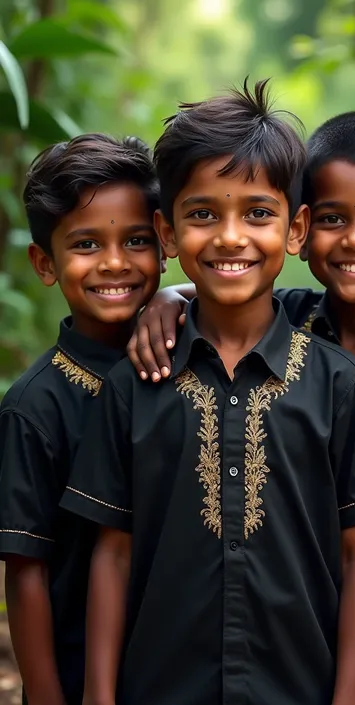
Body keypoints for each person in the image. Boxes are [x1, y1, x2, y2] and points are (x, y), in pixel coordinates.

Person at [61, 81, 355, 705]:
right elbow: (111, 556)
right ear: (167, 235)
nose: (230, 237)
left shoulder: (339, 384)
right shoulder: (132, 384)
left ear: (296, 228)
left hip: (301, 687)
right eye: (202, 215)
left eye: (257, 213)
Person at [132, 110, 355, 705]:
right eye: (334, 219)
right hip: (298, 660)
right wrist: (164, 297)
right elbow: (223, 281)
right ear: (304, 229)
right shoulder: (288, 321)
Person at [0, 133, 163, 705]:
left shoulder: (189, 365)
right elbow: (25, 572)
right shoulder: (34, 407)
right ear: (45, 262)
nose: (115, 263)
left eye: (137, 241)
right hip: (75, 680)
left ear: (165, 244)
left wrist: (180, 297)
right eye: (87, 244)